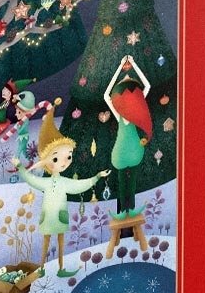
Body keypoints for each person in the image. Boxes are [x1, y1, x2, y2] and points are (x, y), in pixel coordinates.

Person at [13, 109, 107, 277]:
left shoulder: (64, 182)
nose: (64, 162)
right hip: (48, 217)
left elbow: (80, 185)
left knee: (61, 241)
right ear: (46, 161)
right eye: (56, 159)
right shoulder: (46, 183)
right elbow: (31, 179)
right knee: (46, 240)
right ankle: (42, 268)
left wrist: (97, 177)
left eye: (68, 156)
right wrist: (20, 167)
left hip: (61, 217)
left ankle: (61, 269)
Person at [105, 56, 152, 217]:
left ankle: (131, 210)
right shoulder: (118, 115)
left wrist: (133, 64)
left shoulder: (135, 114)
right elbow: (106, 95)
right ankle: (121, 212)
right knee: (121, 182)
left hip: (134, 152)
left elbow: (147, 85)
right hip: (121, 153)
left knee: (132, 183)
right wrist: (120, 67)